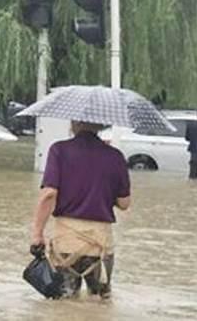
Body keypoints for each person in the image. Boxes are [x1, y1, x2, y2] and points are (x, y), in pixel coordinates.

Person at [31, 121, 131, 299]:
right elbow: (124, 203)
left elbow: (49, 194)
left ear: (74, 123)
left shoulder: (59, 150)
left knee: (64, 302)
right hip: (100, 244)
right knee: (100, 302)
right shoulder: (115, 156)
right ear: (100, 125)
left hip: (67, 242)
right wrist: (104, 191)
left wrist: (37, 234)